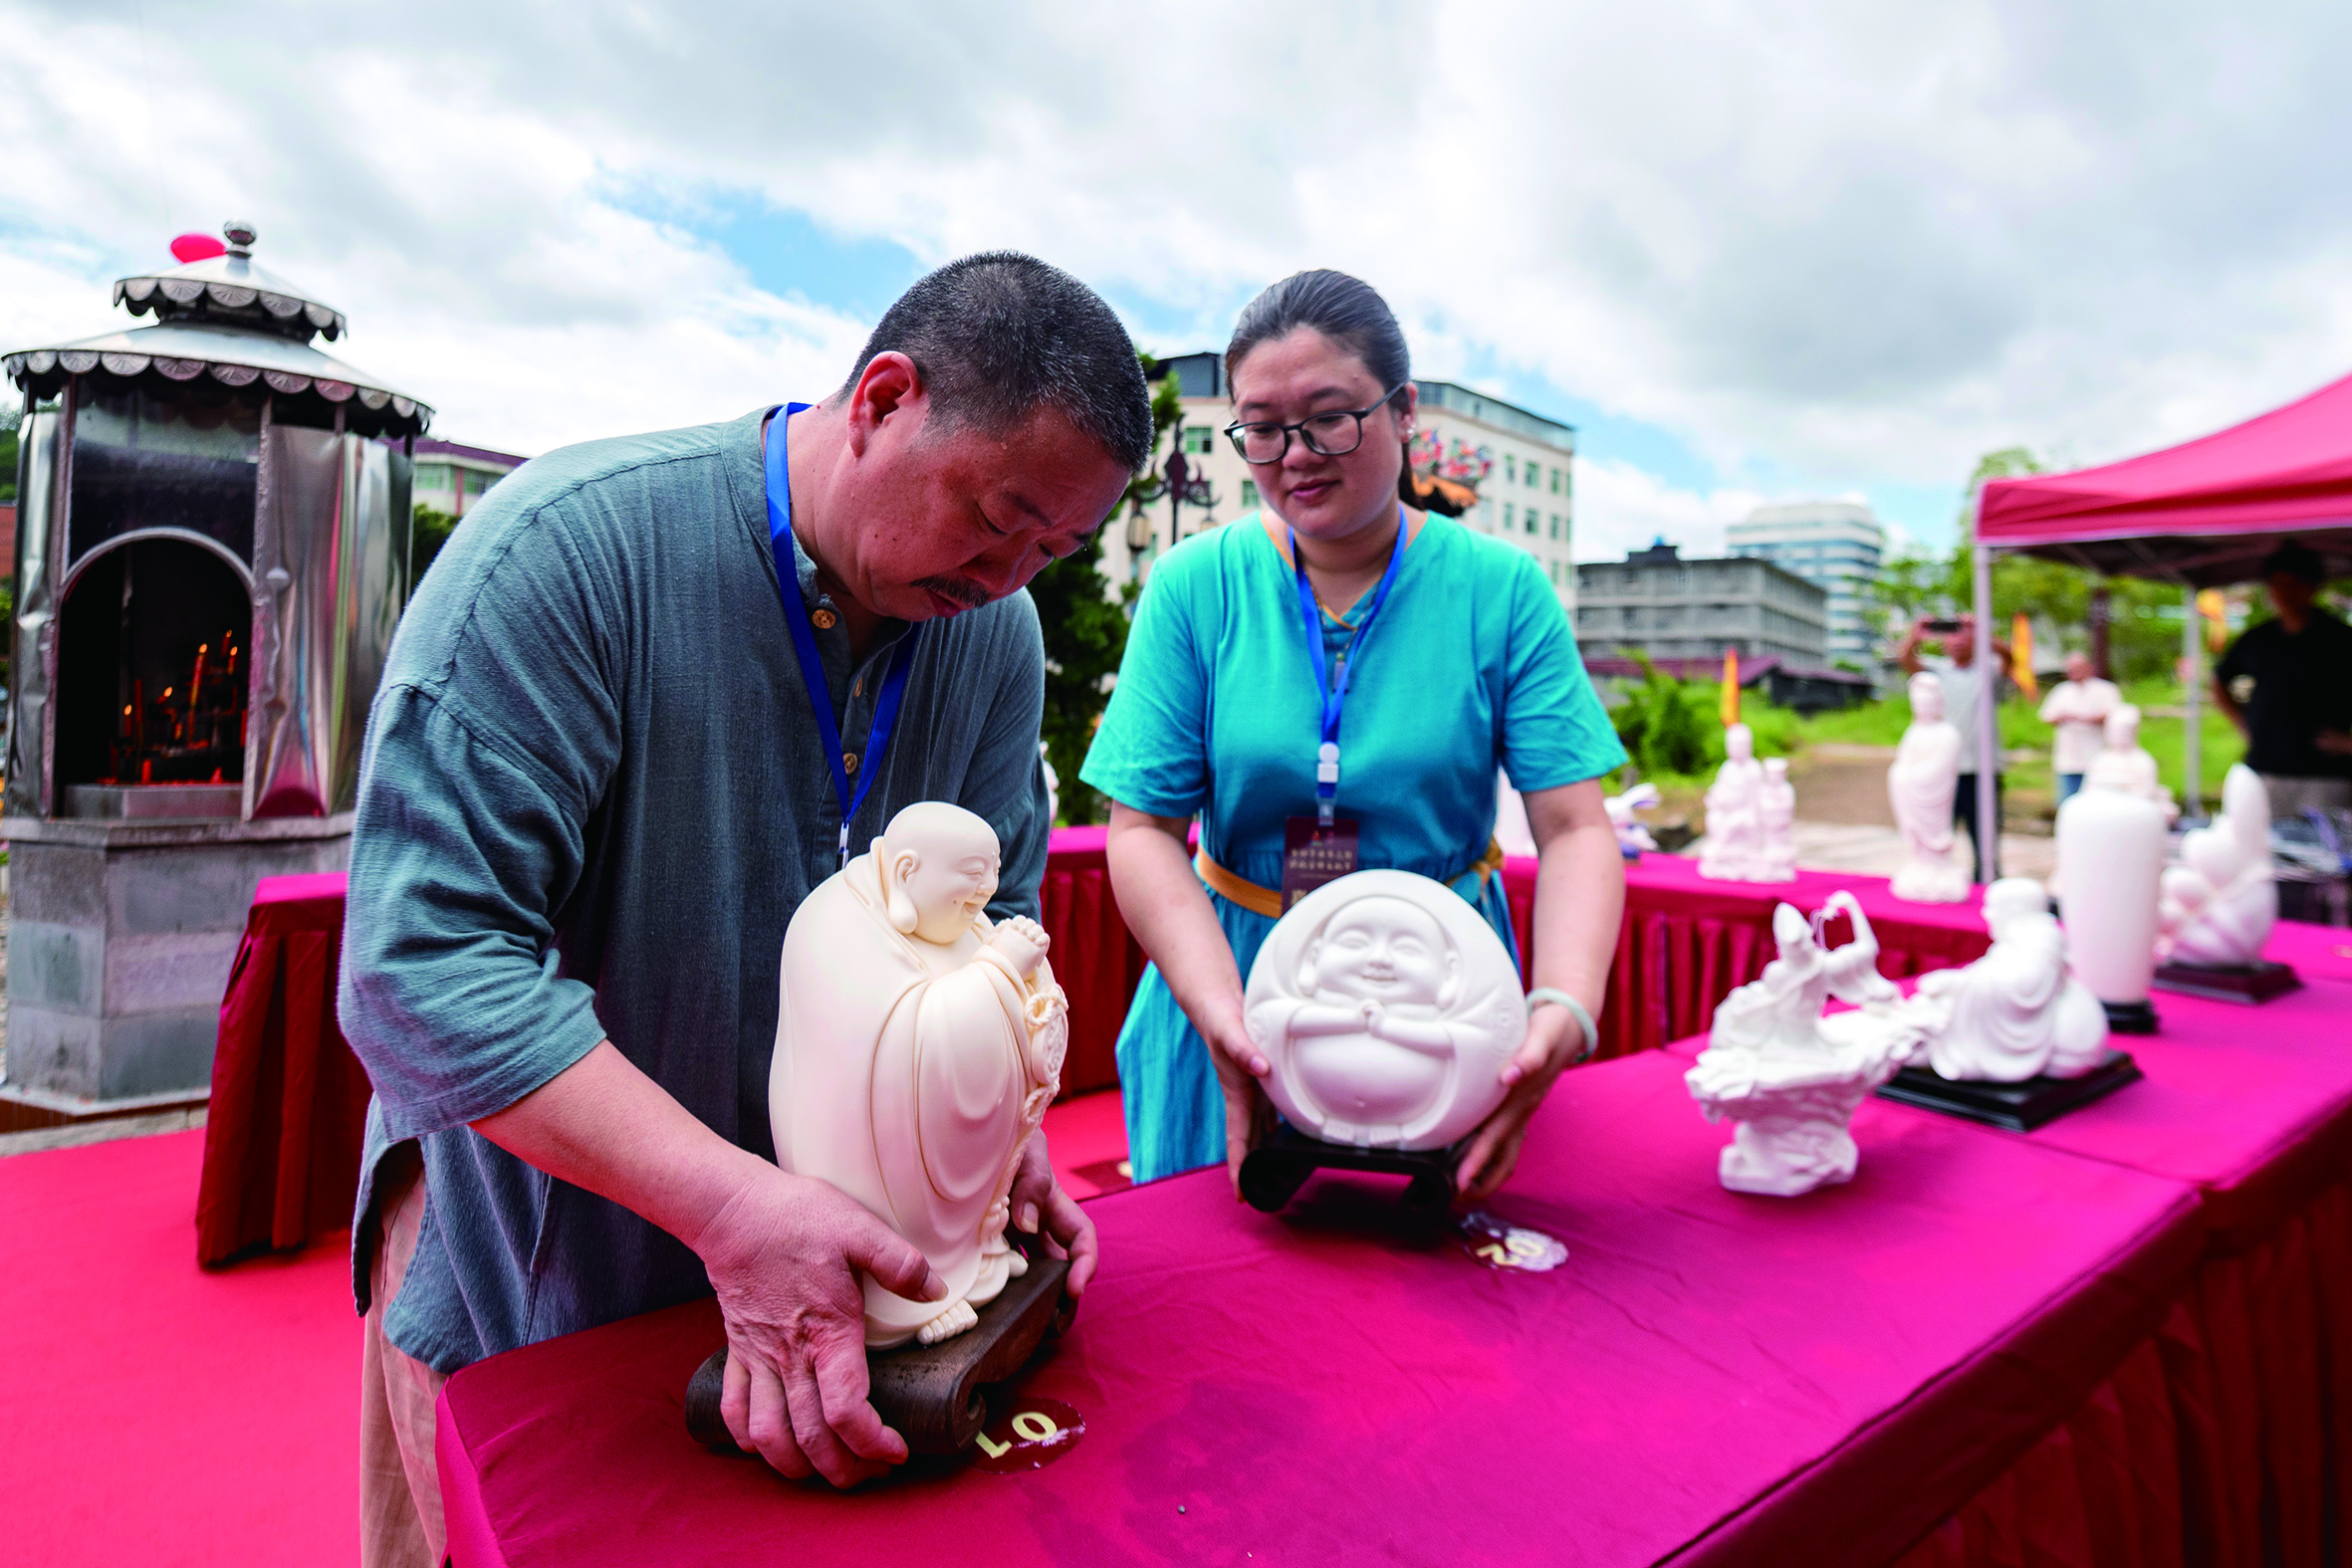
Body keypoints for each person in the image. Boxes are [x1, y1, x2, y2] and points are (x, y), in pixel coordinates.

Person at [338, 253, 1149, 1562]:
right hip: (549, 1261)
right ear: (883, 398)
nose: (1008, 579)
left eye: (1051, 550)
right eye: (996, 517)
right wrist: (727, 1205)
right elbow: (421, 965)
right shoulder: (571, 554)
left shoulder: (992, 638)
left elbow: (991, 917)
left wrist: (1002, 1132)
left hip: (842, 1270)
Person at [1079, 270, 1628, 1198]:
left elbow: (1574, 828)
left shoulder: (1501, 592)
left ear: (1405, 410)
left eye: (1332, 416)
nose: (1295, 453)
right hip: (1232, 982)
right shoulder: (1193, 587)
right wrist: (1220, 1012)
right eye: (1260, 426)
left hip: (1437, 997)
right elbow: (1140, 832)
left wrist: (1567, 1002)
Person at [2213, 542, 2352, 817]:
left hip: (2324, 775)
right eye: (2278, 584)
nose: (2286, 593)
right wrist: (2244, 724)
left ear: (2313, 586)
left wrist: (2348, 744)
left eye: (2296, 583)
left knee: (2322, 852)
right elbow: (2219, 679)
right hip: (2264, 768)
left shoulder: (2340, 639)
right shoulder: (2258, 639)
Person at [1899, 613, 2011, 883]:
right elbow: (1907, 661)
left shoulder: (1988, 670)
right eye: (1951, 637)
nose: (1958, 642)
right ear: (1943, 644)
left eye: (1964, 637)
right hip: (1945, 772)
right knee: (1936, 835)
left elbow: (2010, 658)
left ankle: (1986, 885)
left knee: (1986, 840)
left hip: (1983, 771)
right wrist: (1917, 633)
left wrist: (1982, 631)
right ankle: (1937, 877)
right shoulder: (1936, 673)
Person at [2037, 651, 2121, 804]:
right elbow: (2046, 715)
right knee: (2068, 803)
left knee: (2097, 804)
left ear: (2089, 668)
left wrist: (2084, 718)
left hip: (2098, 758)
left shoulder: (2106, 690)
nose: (2074, 672)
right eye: (2071, 669)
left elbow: (2116, 716)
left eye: (2078, 668)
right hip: (2068, 758)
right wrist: (2063, 717)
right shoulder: (2061, 690)